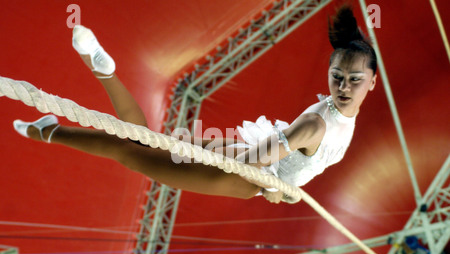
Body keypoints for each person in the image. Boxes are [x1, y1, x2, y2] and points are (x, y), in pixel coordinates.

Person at [13, 5, 377, 204]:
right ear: (328, 73)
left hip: (243, 157)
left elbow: (294, 160)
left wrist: (287, 188)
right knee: (130, 154)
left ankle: (94, 83)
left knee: (142, 142)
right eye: (336, 77)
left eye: (353, 80)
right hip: (241, 171)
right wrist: (277, 191)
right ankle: (52, 131)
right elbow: (259, 161)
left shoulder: (334, 114)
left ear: (372, 82)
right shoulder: (318, 122)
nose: (343, 87)